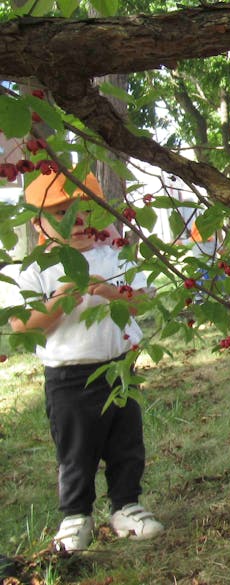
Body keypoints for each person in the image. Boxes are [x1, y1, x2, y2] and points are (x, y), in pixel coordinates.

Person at [5, 173, 164, 553]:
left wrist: (111, 291)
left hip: (120, 367)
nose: (77, 220)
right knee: (76, 451)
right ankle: (76, 514)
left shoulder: (114, 256)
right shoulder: (37, 268)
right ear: (38, 222)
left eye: (85, 210)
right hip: (68, 377)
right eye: (62, 212)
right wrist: (62, 299)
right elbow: (23, 325)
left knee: (126, 442)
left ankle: (126, 504)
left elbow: (144, 300)